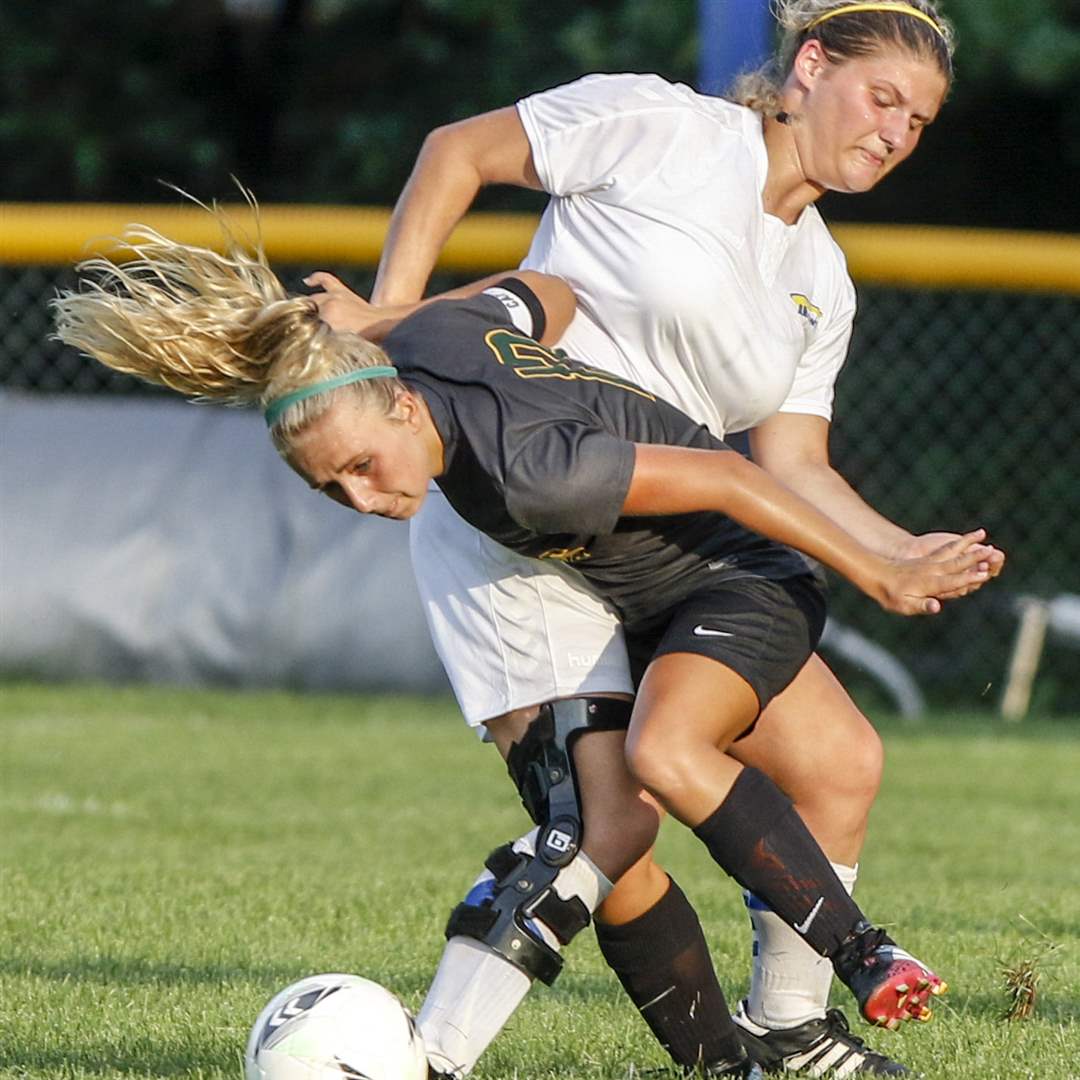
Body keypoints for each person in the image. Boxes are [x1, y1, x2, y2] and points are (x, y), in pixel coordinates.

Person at [53, 224, 997, 1077]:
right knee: (782, 777)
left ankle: (863, 954)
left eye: (361, 466)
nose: (361, 499)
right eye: (331, 489)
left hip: (740, 578)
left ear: (401, 410)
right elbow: (548, 292)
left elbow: (727, 474)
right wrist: (390, 316)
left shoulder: (528, 474)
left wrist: (883, 572)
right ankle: (763, 1052)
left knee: (656, 763)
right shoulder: (429, 342)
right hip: (661, 597)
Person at [307, 1, 996, 1074]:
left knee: (839, 760)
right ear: (810, 66)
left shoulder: (821, 277)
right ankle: (449, 1058)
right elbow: (458, 150)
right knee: (609, 830)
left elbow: (792, 466)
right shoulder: (661, 127)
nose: (898, 132)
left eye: (920, 120)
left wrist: (902, 551)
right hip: (518, 537)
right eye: (884, 98)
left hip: (671, 530)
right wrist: (384, 334)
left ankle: (791, 1031)